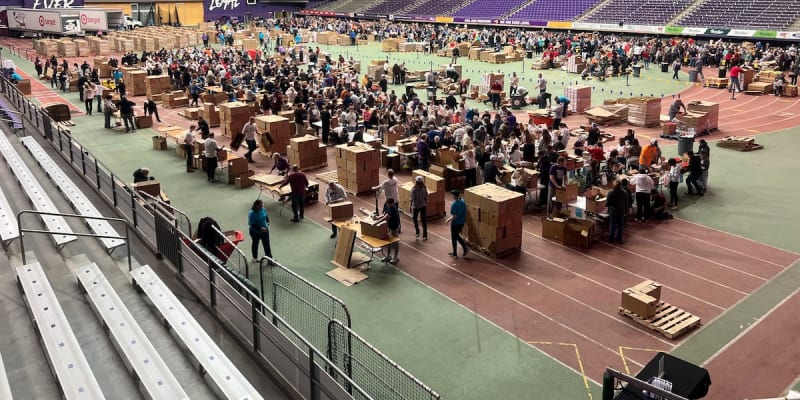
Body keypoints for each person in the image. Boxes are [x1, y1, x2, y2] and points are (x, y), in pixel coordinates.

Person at [374, 198, 400, 263]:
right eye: (387, 203)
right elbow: (384, 214)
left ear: (392, 203)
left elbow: (386, 217)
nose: (387, 205)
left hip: (394, 227)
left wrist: (376, 223)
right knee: (389, 241)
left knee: (395, 242)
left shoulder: (393, 209)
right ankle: (388, 256)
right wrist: (377, 217)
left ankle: (395, 257)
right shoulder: (389, 207)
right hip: (389, 226)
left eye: (388, 204)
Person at [445, 190, 469, 258]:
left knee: (454, 237)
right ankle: (455, 253)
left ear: (454, 196)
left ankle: (464, 248)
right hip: (462, 222)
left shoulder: (454, 204)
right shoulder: (463, 201)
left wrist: (448, 219)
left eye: (452, 194)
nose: (451, 196)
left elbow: (454, 216)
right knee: (456, 236)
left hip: (455, 223)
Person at [605, 178, 629, 244]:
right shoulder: (624, 192)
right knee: (620, 225)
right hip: (621, 210)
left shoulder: (610, 192)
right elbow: (626, 203)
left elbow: (607, 203)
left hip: (613, 211)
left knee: (612, 224)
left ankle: (611, 239)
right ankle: (619, 239)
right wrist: (626, 212)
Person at [411, 176, 428, 240]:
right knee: (424, 221)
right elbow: (426, 195)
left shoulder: (414, 189)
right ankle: (425, 236)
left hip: (416, 206)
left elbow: (412, 199)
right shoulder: (424, 187)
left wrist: (410, 206)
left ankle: (417, 232)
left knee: (415, 219)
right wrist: (426, 202)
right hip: (423, 205)